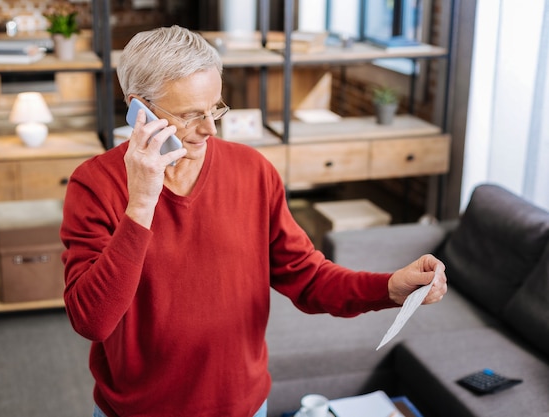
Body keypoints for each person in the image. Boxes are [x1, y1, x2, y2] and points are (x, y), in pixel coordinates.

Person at [60, 25, 447, 417]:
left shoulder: (252, 171)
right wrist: (142, 202)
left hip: (243, 407)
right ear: (138, 108)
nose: (210, 128)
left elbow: (308, 278)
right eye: (191, 114)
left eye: (215, 108)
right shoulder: (94, 185)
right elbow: (92, 320)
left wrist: (389, 288)